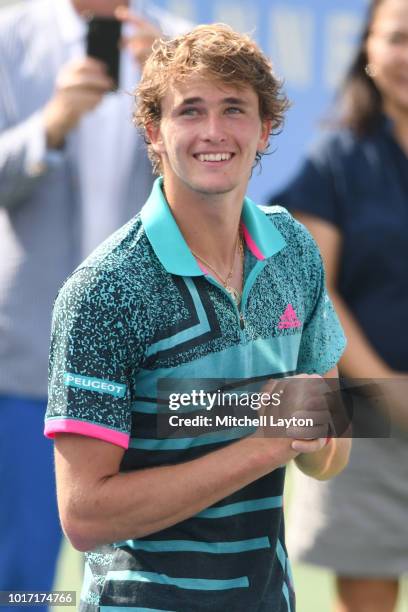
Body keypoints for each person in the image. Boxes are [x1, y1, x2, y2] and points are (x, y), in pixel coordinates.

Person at [45, 24, 351, 611]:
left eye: (234, 108)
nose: (214, 132)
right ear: (155, 133)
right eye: (190, 111)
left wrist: (309, 432)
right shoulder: (102, 292)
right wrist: (265, 442)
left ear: (265, 129)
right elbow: (84, 515)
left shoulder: (294, 247)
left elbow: (330, 446)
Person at [0, 0, 190, 607]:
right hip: (30, 353)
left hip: (156, 359)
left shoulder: (179, 43)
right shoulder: (10, 35)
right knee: (20, 575)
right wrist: (52, 122)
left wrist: (178, 92)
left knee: (159, 575)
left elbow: (221, 181)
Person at [270, 1, 408, 610]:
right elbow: (314, 287)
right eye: (399, 38)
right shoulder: (337, 161)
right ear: (369, 53)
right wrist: (388, 386)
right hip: (369, 427)